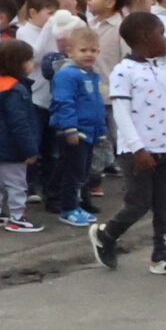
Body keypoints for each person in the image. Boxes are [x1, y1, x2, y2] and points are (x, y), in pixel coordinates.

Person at [91, 11, 166, 277]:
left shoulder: (161, 68)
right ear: (145, 37)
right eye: (162, 33)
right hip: (137, 152)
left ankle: (162, 255)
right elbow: (122, 114)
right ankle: (107, 234)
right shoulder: (124, 72)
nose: (165, 39)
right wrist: (137, 148)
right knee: (138, 204)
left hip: (163, 148)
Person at [0, 38, 44, 233]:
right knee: (17, 182)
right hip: (13, 147)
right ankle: (17, 216)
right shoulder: (16, 90)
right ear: (20, 63)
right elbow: (20, 124)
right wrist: (30, 149)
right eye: (30, 60)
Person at [46, 25, 105, 226]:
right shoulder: (67, 75)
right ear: (70, 51)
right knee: (73, 171)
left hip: (89, 131)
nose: (89, 54)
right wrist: (70, 128)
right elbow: (65, 103)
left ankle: (72, 203)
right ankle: (68, 208)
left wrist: (101, 130)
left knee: (80, 170)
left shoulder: (91, 74)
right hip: (74, 131)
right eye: (83, 50)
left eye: (93, 50)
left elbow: (96, 105)